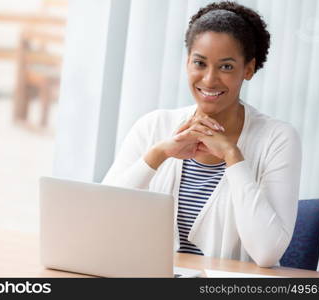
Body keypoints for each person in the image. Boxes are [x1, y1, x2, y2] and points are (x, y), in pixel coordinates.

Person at [102, 1, 301, 267]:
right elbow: (102, 219)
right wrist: (158, 155)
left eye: (226, 67)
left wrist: (233, 156)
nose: (209, 79)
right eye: (200, 63)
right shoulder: (153, 126)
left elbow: (266, 253)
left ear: (249, 69)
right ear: (187, 63)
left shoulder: (278, 139)